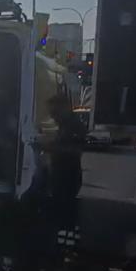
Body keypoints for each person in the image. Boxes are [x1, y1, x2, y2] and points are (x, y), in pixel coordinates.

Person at [41, 94, 86, 244]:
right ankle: (65, 241)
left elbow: (76, 148)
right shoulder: (65, 125)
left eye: (55, 113)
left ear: (64, 108)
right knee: (63, 211)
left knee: (66, 211)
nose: (53, 117)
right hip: (62, 175)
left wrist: (51, 147)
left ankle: (67, 245)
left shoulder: (74, 125)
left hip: (68, 175)